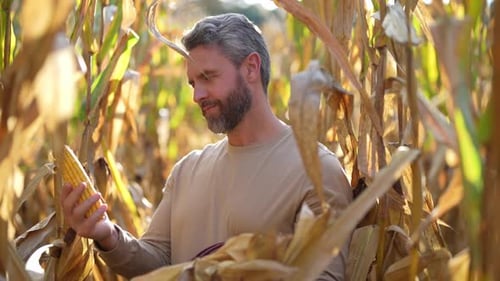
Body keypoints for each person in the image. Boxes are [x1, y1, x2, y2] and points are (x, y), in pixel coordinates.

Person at [61, 13, 352, 280]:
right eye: (192, 83)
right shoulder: (187, 170)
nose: (197, 95)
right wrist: (108, 235)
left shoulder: (315, 170)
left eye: (208, 77)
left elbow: (327, 276)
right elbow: (159, 264)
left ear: (251, 68)